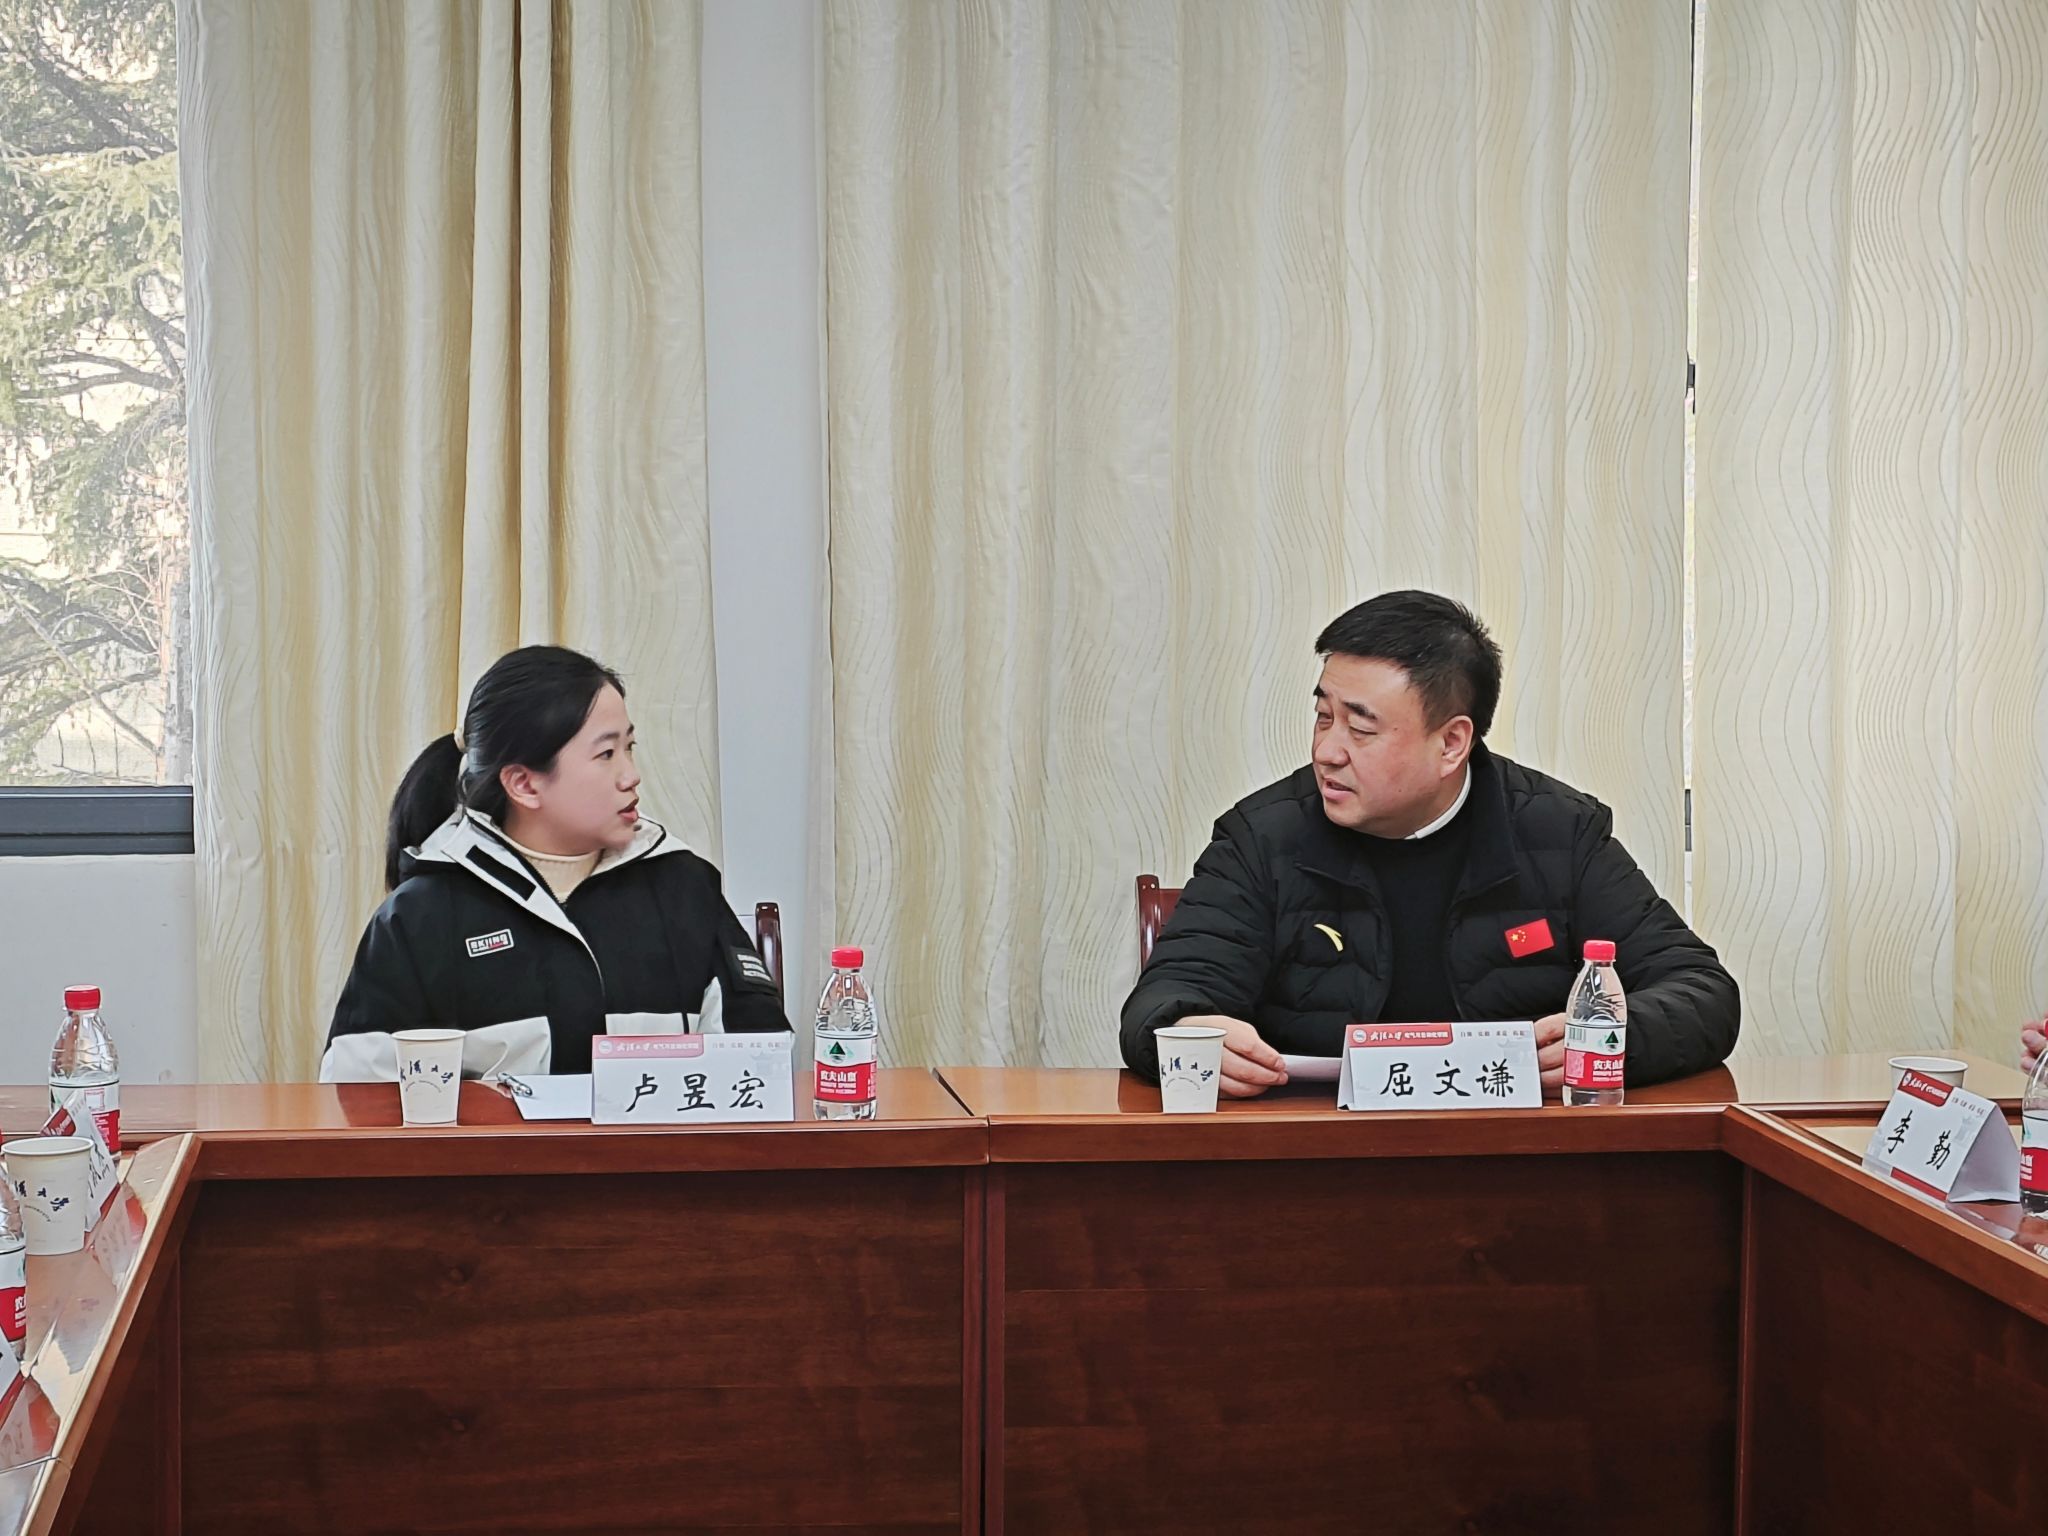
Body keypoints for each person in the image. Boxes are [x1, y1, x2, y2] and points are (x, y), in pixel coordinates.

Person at [1120, 590, 1739, 1097]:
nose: (1326, 751)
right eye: (1323, 716)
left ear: (1451, 743)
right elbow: (1165, 998)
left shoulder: (1558, 832)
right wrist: (1190, 1031)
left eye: (1361, 727)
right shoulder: (1263, 838)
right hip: (1318, 1160)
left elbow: (1702, 992)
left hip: (1517, 1158)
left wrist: (1614, 1039)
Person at [323, 645, 787, 1079]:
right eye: (605, 754)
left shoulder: (682, 884)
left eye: (629, 747)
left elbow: (763, 1058)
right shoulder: (422, 914)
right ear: (524, 785)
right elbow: (355, 1088)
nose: (631, 776)